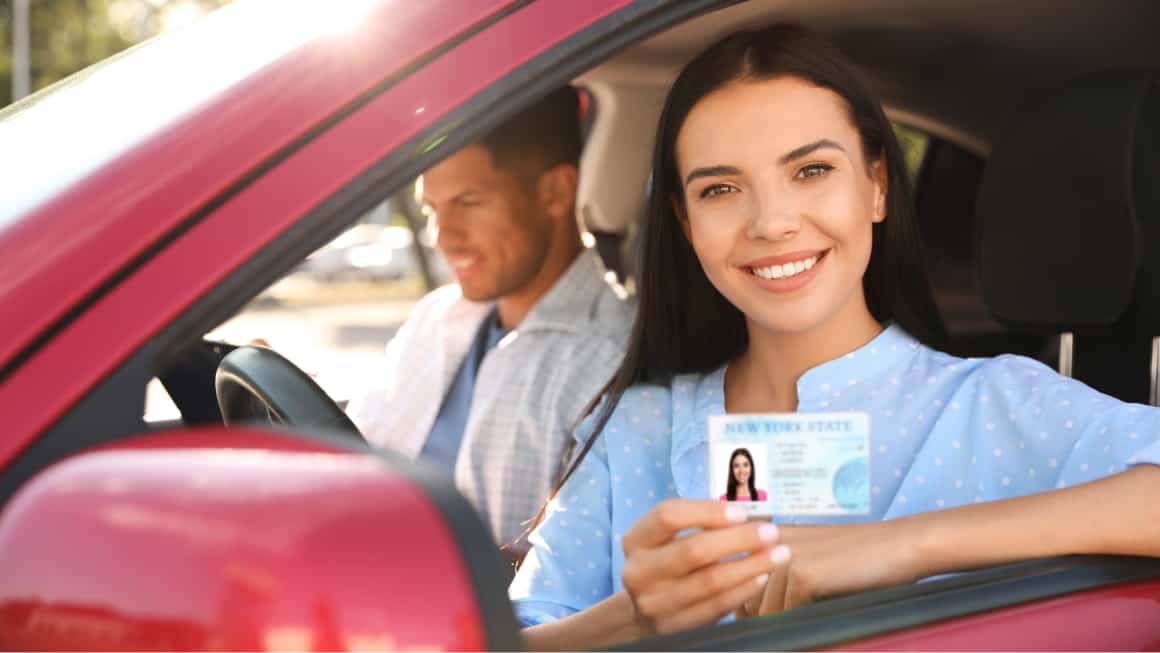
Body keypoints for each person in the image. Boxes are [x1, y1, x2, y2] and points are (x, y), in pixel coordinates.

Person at [508, 25, 1160, 649]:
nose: (773, 222)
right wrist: (633, 622)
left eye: (811, 171)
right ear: (684, 220)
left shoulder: (995, 406)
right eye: (722, 188)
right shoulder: (633, 430)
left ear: (876, 183)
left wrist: (899, 545)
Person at [345, 87, 634, 555]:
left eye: (469, 202)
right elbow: (354, 448)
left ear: (555, 192)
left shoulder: (611, 357)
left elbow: (568, 573)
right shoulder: (437, 318)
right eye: (432, 209)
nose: (443, 237)